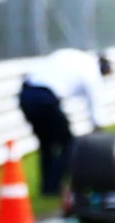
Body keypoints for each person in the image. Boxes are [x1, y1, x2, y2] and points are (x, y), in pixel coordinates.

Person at [20, 46, 107, 205]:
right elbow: (95, 107)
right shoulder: (92, 72)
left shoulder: (74, 56)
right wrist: (99, 130)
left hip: (26, 92)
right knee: (68, 143)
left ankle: (48, 188)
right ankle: (57, 185)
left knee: (46, 144)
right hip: (45, 97)